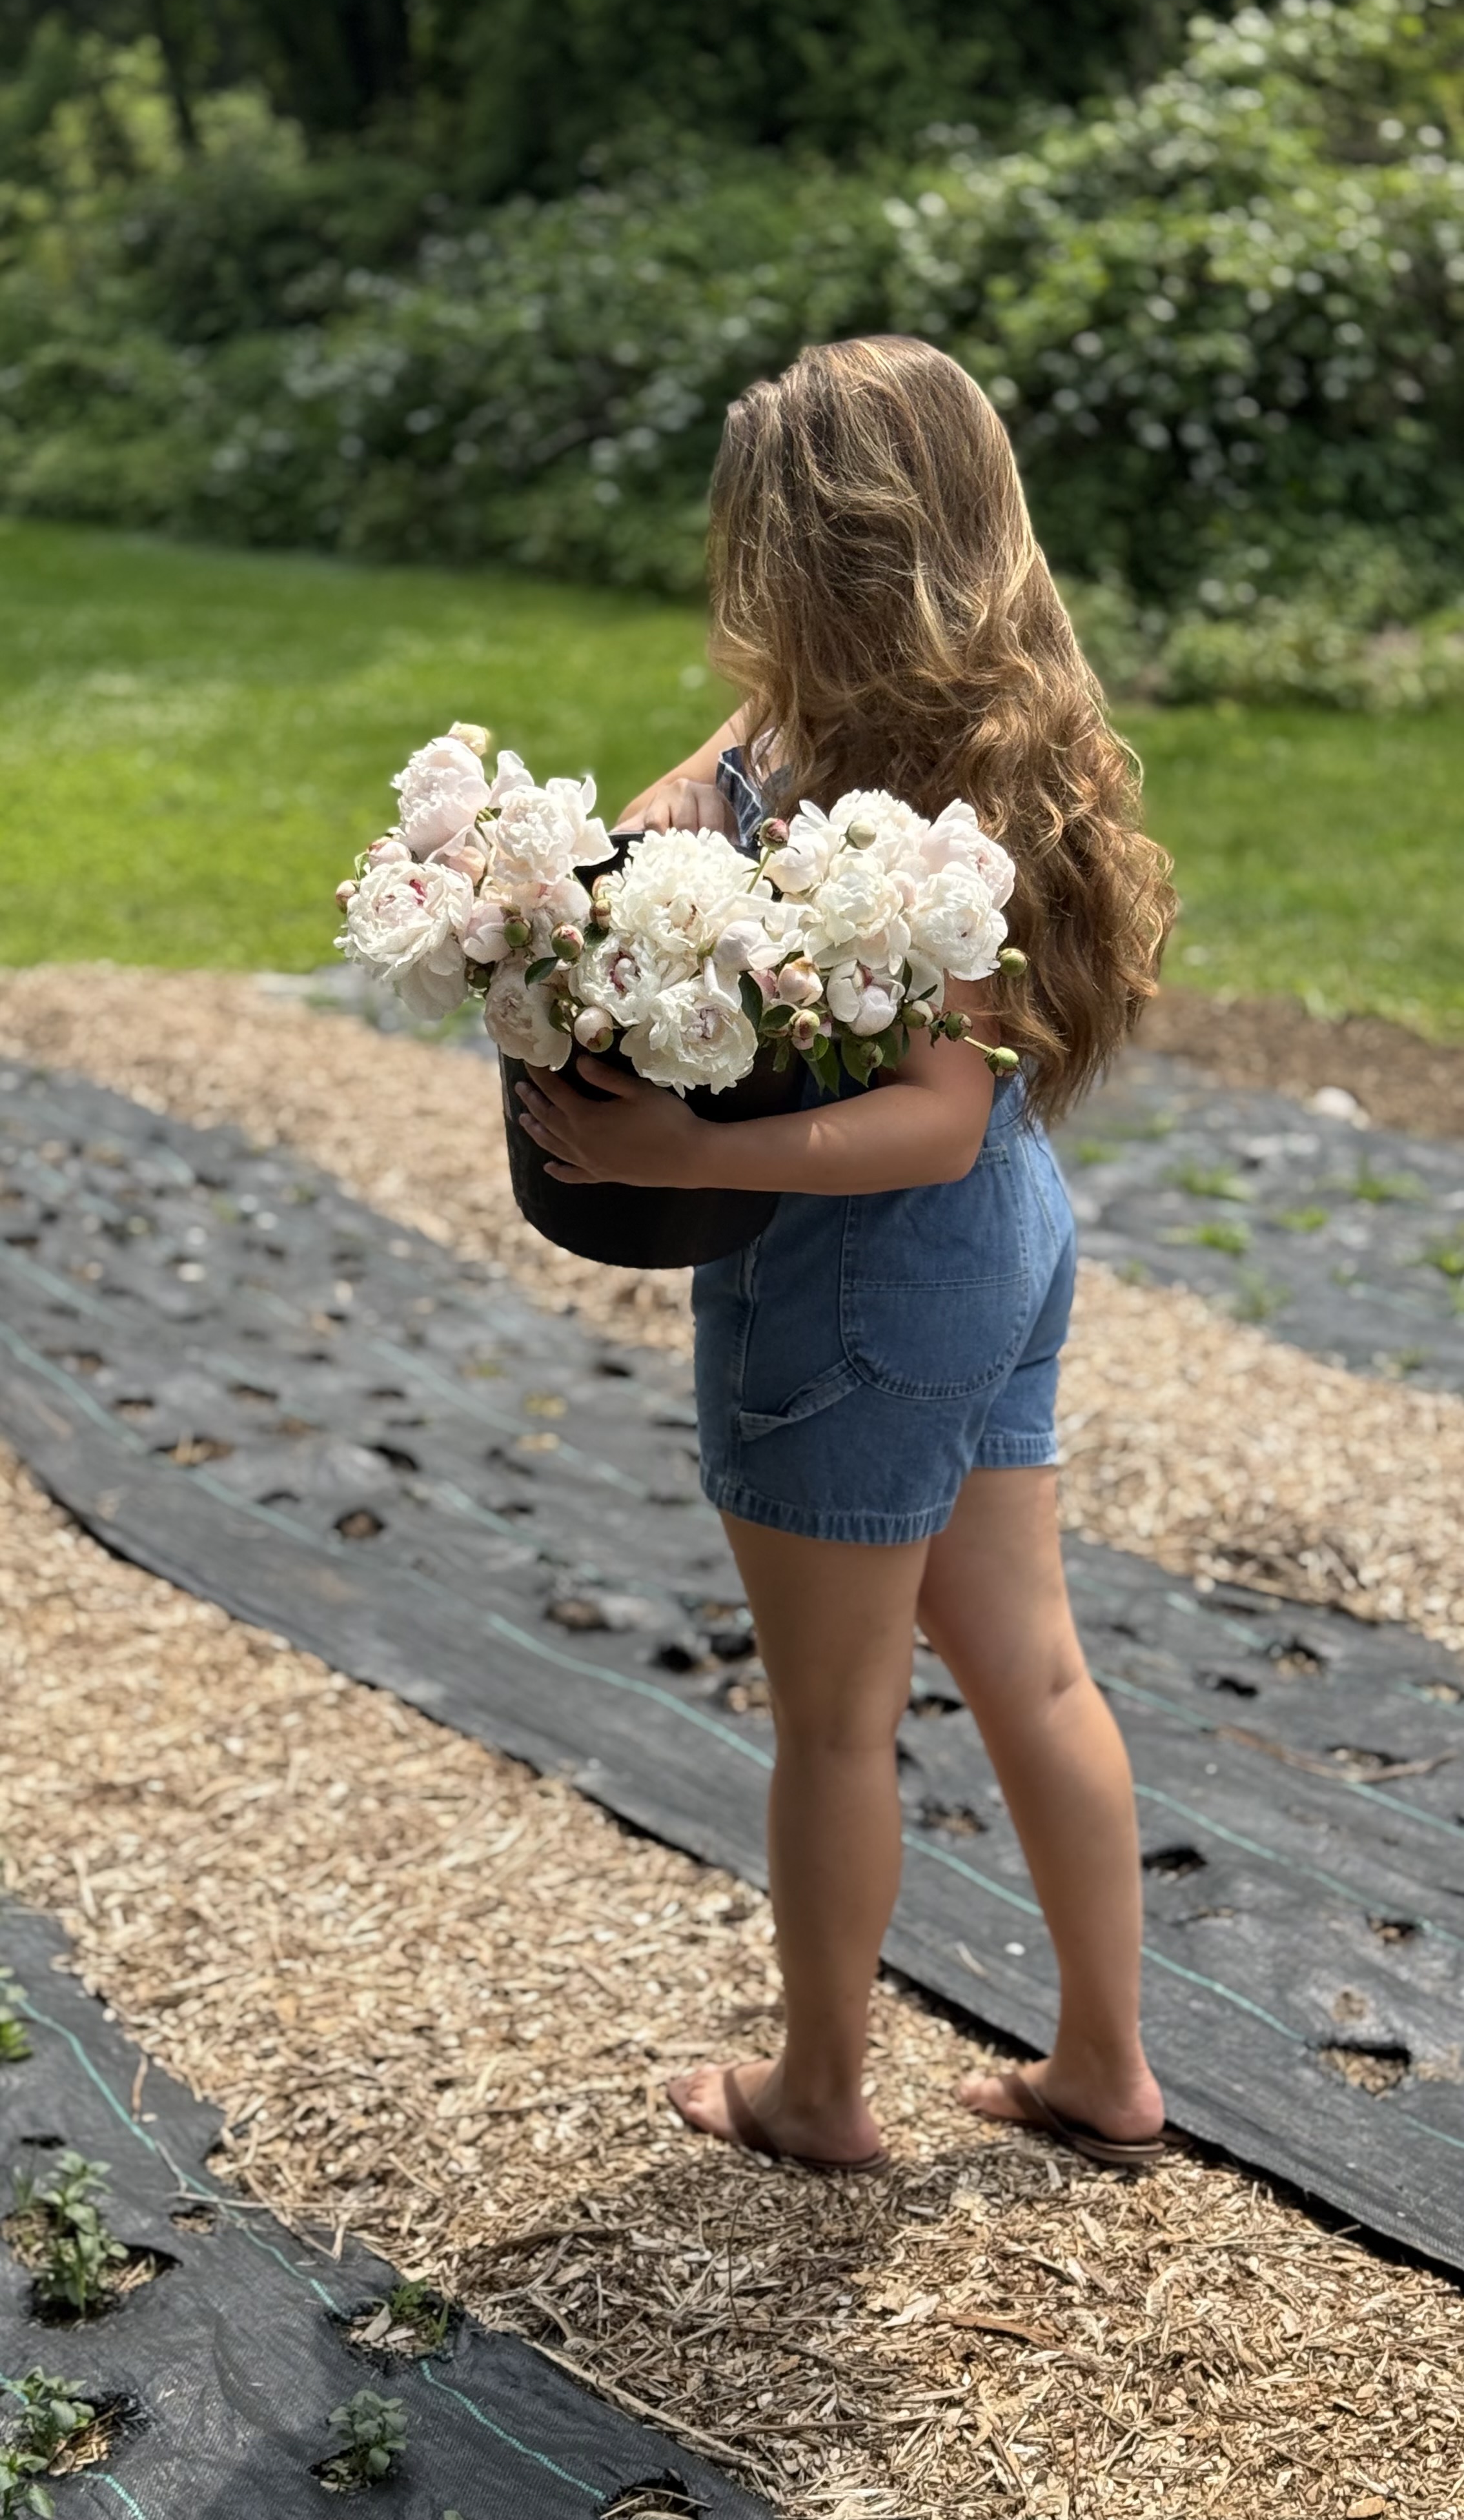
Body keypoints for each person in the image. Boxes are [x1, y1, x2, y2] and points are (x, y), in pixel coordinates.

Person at [514, 336, 1175, 2173]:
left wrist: (673, 1148)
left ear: (803, 550)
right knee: (1031, 1667)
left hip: (863, 1262)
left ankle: (815, 2092)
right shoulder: (948, 735)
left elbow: (934, 1113)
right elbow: (674, 807)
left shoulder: (884, 800)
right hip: (1001, 1246)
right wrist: (601, 862)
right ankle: (1103, 2067)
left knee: (829, 1720)